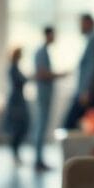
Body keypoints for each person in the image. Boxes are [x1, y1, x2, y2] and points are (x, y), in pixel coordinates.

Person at [62, 13, 94, 129]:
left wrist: (87, 91)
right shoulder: (91, 41)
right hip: (88, 93)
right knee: (82, 126)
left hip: (88, 95)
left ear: (89, 23)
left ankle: (74, 147)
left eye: (81, 23)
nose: (79, 27)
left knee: (69, 124)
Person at [32, 26, 65, 171]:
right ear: (48, 35)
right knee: (41, 126)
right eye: (53, 35)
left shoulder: (44, 52)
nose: (54, 38)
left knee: (42, 126)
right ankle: (38, 160)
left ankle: (39, 159)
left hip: (46, 94)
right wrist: (59, 75)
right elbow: (42, 73)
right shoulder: (41, 52)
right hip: (43, 94)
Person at [1, 47, 30, 164]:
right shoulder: (12, 69)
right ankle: (15, 153)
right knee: (17, 128)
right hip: (16, 101)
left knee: (22, 127)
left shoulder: (16, 68)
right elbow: (19, 81)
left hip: (20, 99)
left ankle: (16, 153)